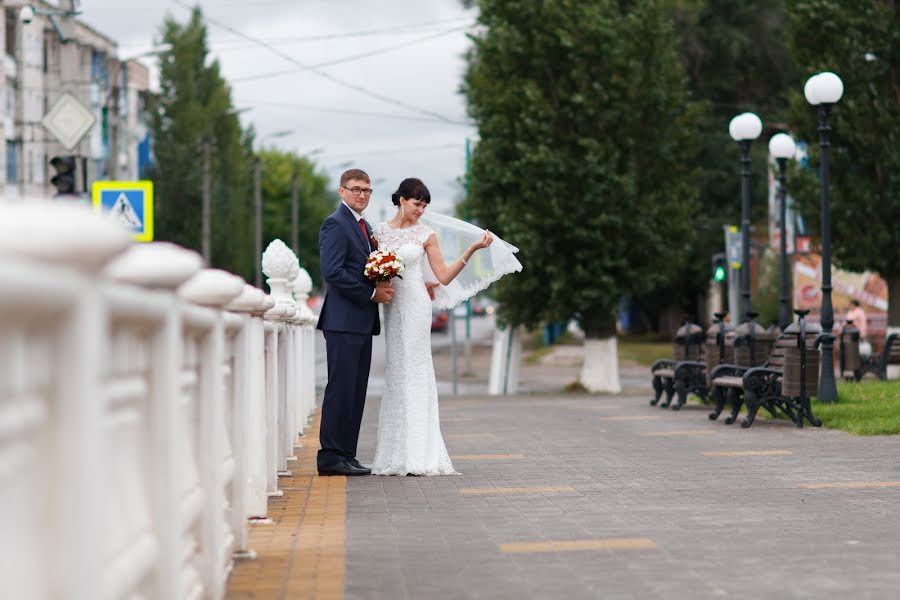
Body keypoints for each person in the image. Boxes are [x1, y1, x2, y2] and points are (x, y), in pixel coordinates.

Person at [370, 178, 494, 476]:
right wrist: (379, 279)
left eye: (425, 205)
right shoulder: (379, 231)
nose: (421, 210)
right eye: (417, 204)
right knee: (397, 373)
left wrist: (473, 249)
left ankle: (419, 454)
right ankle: (394, 454)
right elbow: (371, 266)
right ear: (401, 200)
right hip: (392, 308)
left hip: (415, 306)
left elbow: (444, 275)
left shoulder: (426, 234)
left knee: (416, 371)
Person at [316, 168, 394, 476]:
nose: (362, 194)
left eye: (366, 190)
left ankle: (347, 454)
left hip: (361, 322)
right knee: (340, 389)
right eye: (356, 189)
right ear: (342, 191)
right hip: (343, 321)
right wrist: (372, 292)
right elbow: (332, 272)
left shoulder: (364, 226)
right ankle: (330, 457)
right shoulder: (335, 224)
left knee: (356, 391)